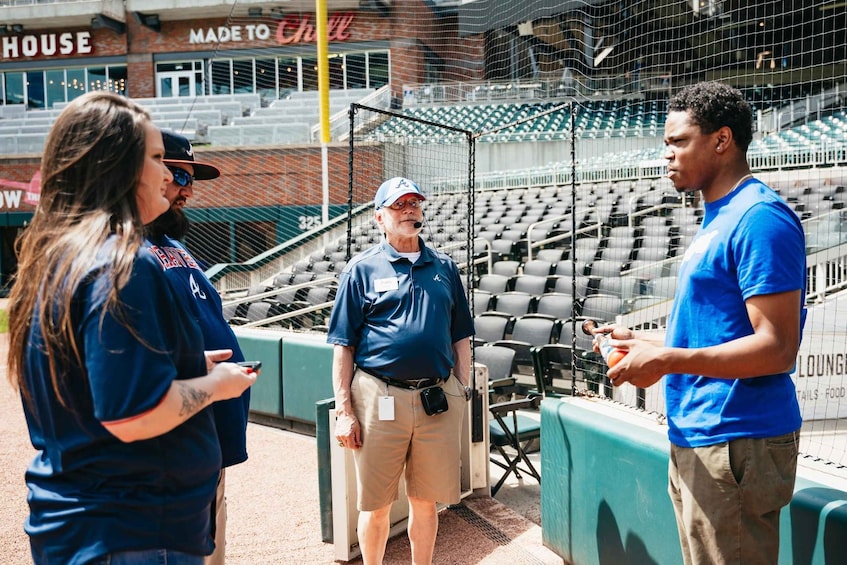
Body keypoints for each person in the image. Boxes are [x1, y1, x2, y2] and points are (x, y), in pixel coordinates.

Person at [5, 91, 257, 565]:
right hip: (133, 530)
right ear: (116, 165)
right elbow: (132, 416)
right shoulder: (121, 262)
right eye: (159, 159)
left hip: (91, 522)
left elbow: (94, 381)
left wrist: (183, 364)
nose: (168, 176)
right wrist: (216, 385)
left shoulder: (59, 255)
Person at [593, 81, 805, 565]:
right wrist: (644, 343)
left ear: (722, 140)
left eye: (678, 142)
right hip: (702, 433)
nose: (666, 155)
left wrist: (667, 359)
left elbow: (776, 347)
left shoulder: (759, 219)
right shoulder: (719, 216)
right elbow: (719, 331)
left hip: (736, 439)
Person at [327, 177, 474, 565]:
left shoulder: (443, 267)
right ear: (379, 218)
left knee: (425, 503)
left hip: (436, 397)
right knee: (375, 505)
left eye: (414, 203)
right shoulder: (360, 270)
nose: (410, 209)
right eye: (399, 205)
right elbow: (344, 345)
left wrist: (463, 385)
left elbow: (462, 333)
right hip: (379, 396)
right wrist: (345, 411)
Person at [146, 130, 252, 565]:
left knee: (210, 544)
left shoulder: (175, 246)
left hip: (207, 440)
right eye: (177, 175)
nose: (187, 189)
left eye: (191, 179)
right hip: (169, 446)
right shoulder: (123, 251)